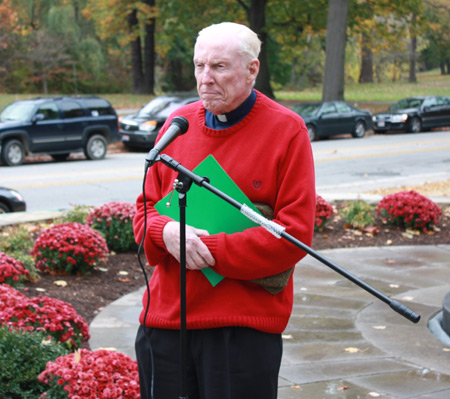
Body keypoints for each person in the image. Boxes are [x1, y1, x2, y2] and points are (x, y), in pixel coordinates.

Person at [133, 22, 315, 399]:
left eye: (219, 67)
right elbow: (144, 210)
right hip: (165, 322)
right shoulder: (177, 124)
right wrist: (165, 233)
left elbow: (294, 235)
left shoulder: (288, 130)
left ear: (252, 70)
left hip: (241, 331)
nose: (205, 78)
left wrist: (208, 249)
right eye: (200, 66)